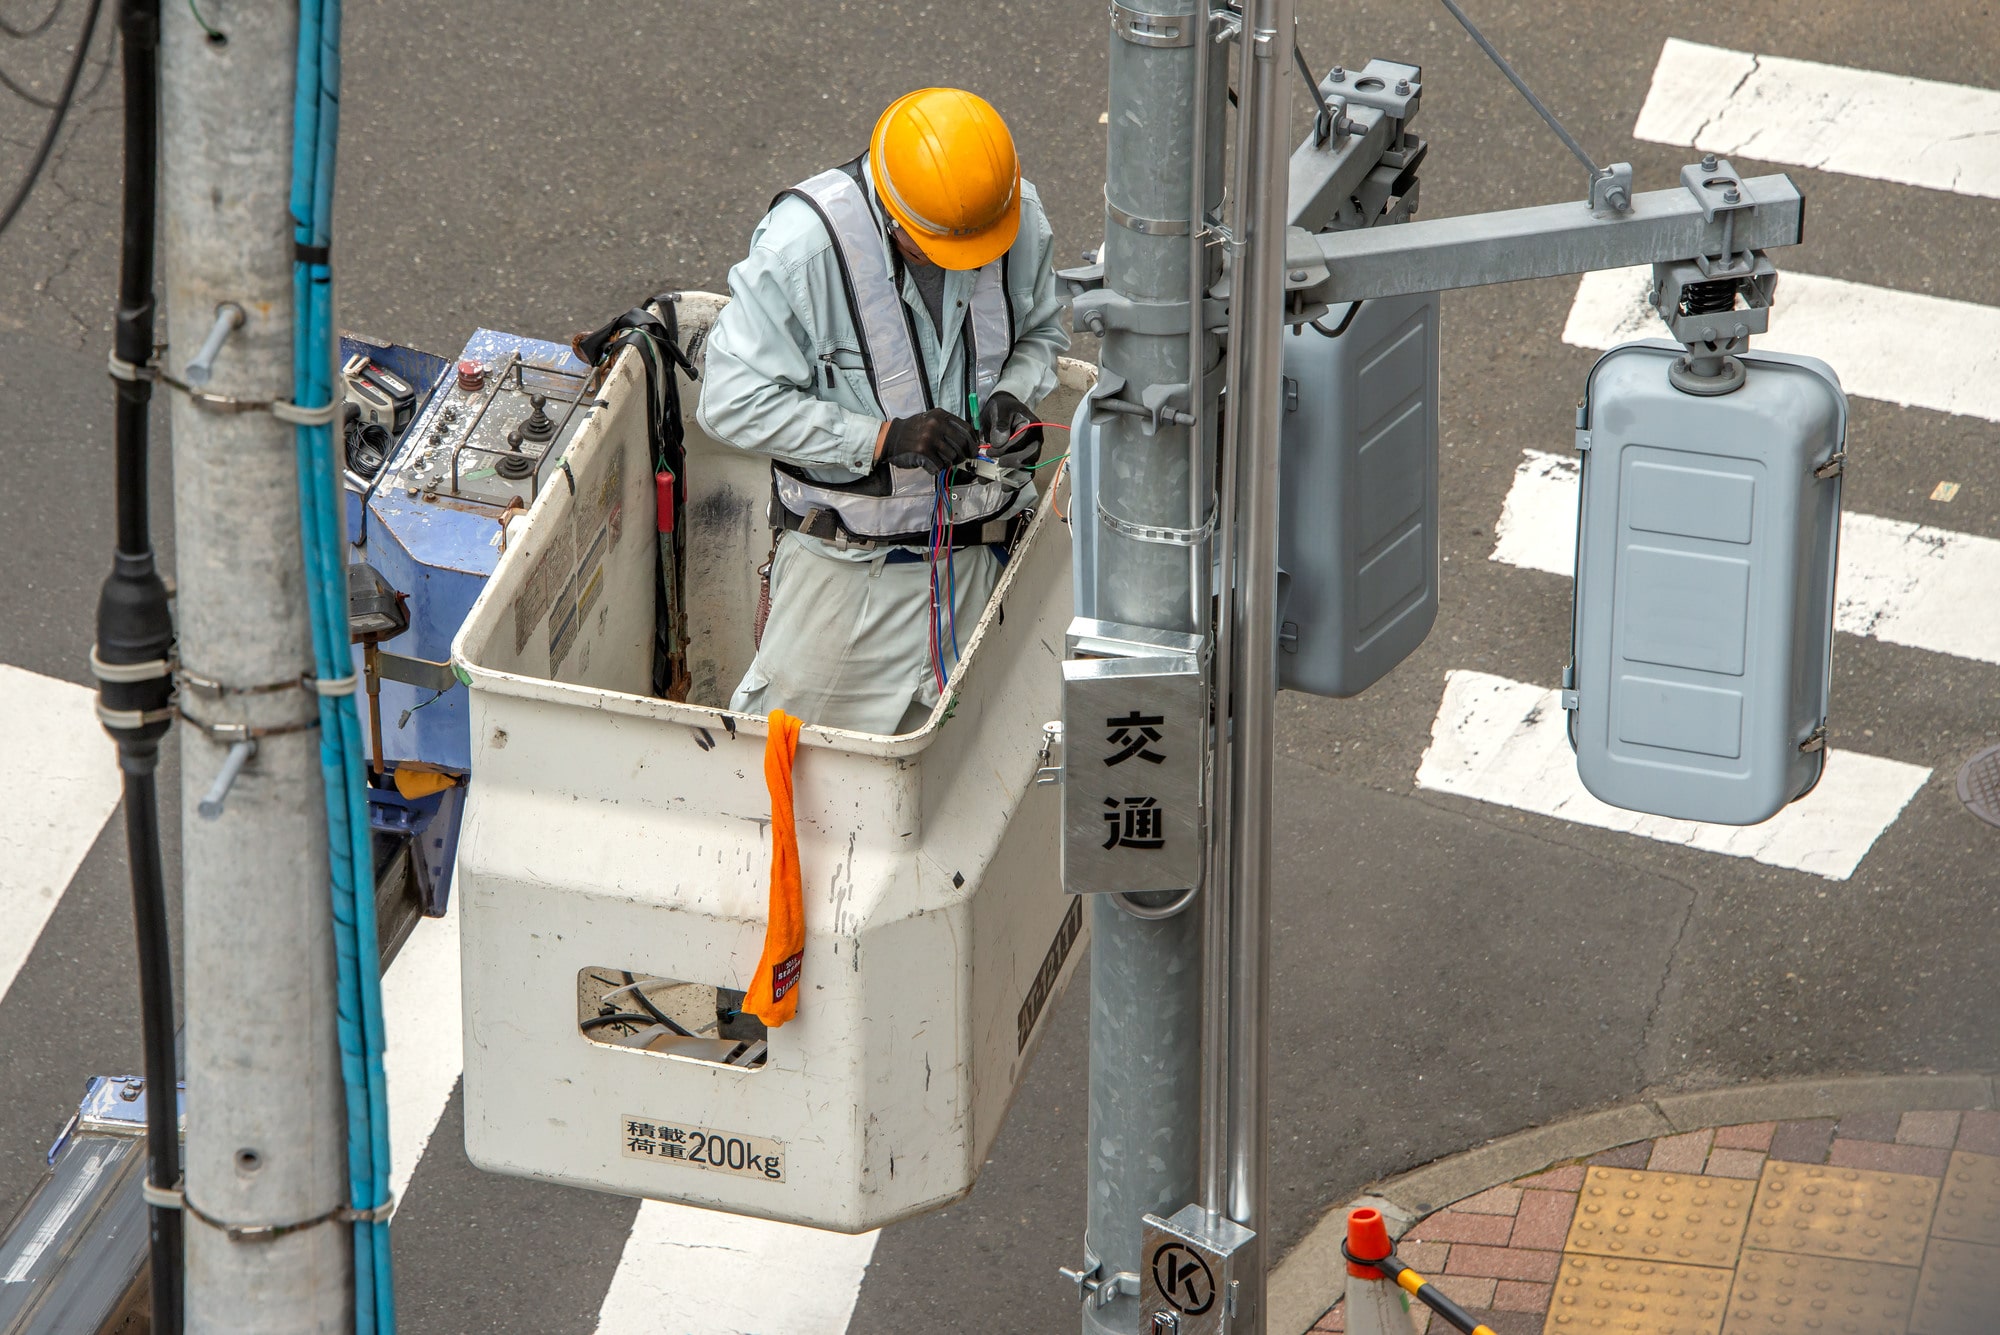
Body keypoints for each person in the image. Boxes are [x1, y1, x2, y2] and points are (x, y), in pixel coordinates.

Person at [697, 87, 1068, 734]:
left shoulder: (1008, 215)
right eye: (946, 250)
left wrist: (1015, 393)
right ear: (894, 218)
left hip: (986, 555)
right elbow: (730, 405)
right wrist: (880, 439)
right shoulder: (802, 252)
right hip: (849, 572)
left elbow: (1042, 333)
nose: (973, 263)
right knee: (788, 766)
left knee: (985, 775)